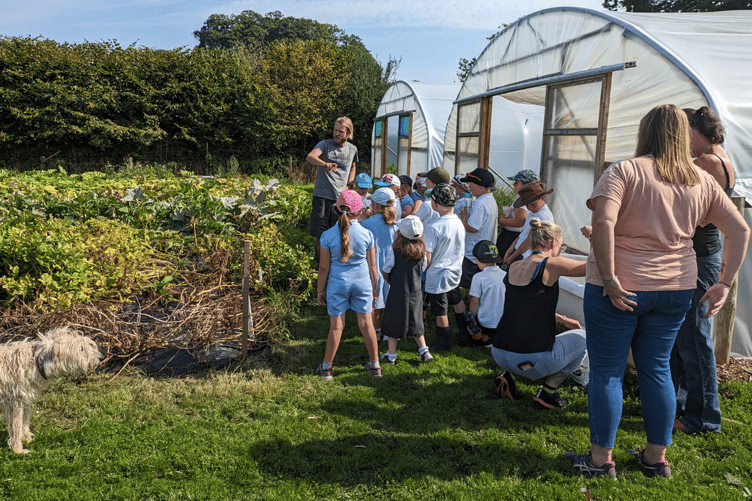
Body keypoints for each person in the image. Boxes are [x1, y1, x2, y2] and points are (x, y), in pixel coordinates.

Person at [566, 104, 749, 480]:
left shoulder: (624, 170)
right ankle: (655, 458)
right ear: (683, 135)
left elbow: (603, 220)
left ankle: (600, 461)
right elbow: (740, 230)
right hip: (675, 288)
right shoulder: (701, 180)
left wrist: (612, 278)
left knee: (608, 372)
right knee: (656, 369)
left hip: (619, 288)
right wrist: (723, 283)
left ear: (644, 132)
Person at [670, 107, 737, 435]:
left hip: (699, 257)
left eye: (686, 134)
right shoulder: (722, 157)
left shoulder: (706, 163)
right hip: (704, 255)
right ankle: (682, 404)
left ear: (698, 131)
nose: (683, 141)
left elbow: (692, 212)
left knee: (694, 341)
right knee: (686, 338)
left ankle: (704, 417)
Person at [492, 219, 586, 407]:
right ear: (553, 242)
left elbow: (526, 307)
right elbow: (595, 267)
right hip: (533, 361)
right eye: (562, 243)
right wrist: (595, 237)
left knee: (518, 330)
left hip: (499, 352)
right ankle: (548, 393)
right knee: (585, 339)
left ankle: (507, 376)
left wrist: (562, 319)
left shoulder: (514, 266)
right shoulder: (550, 264)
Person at [315, 190, 383, 379]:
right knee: (366, 323)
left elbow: (323, 268)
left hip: (338, 285)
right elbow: (373, 266)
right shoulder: (367, 234)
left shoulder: (327, 236)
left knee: (336, 327)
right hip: (363, 283)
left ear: (336, 210)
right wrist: (375, 289)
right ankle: (375, 365)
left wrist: (321, 290)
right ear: (360, 211)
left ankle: (327, 368)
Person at [380, 215, 433, 364]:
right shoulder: (421, 252)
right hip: (415, 291)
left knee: (392, 323)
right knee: (416, 322)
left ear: (401, 233)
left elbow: (386, 269)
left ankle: (391, 356)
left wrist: (389, 279)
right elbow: (423, 268)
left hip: (397, 291)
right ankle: (425, 351)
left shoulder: (394, 251)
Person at [454, 168, 499, 343]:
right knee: (473, 291)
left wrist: (461, 221)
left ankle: (471, 328)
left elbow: (473, 228)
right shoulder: (489, 200)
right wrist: (467, 218)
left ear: (479, 186)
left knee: (467, 292)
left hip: (473, 255)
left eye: (471, 183)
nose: (469, 186)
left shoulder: (480, 203)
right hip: (483, 252)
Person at [307, 117, 359, 262]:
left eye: (340, 131)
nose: (336, 134)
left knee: (340, 231)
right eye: (335, 130)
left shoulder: (352, 149)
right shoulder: (325, 144)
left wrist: (350, 185)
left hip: (340, 199)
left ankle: (336, 263)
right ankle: (321, 265)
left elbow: (353, 166)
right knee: (321, 234)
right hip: (322, 197)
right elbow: (310, 157)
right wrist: (324, 164)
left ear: (348, 132)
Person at [424, 183, 465, 352]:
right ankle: (465, 331)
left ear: (435, 203)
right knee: (456, 300)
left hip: (438, 274)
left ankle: (444, 345)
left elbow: (427, 256)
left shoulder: (434, 227)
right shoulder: (459, 223)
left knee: (440, 311)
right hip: (455, 270)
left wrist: (421, 269)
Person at [361, 188, 399, 340]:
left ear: (375, 205)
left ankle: (375, 330)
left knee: (375, 300)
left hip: (373, 266)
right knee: (389, 299)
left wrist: (363, 218)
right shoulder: (395, 225)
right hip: (390, 267)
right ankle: (388, 330)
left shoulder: (366, 224)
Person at [466, 240, 507, 348]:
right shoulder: (506, 275)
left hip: (486, 325)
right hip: (504, 323)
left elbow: (475, 301)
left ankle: (484, 339)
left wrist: (471, 322)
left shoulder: (478, 277)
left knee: (470, 320)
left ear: (478, 259)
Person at [502, 182, 554, 267]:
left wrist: (512, 257)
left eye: (533, 204)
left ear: (543, 198)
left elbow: (529, 241)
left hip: (527, 256)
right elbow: (524, 233)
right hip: (518, 251)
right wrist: (511, 248)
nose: (529, 208)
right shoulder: (532, 213)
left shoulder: (544, 217)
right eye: (526, 205)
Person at [497, 169, 539, 258]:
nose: (514, 184)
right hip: (511, 236)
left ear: (525, 185)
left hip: (511, 236)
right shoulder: (521, 198)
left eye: (516, 182)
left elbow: (520, 220)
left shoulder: (523, 201)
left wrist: (502, 220)